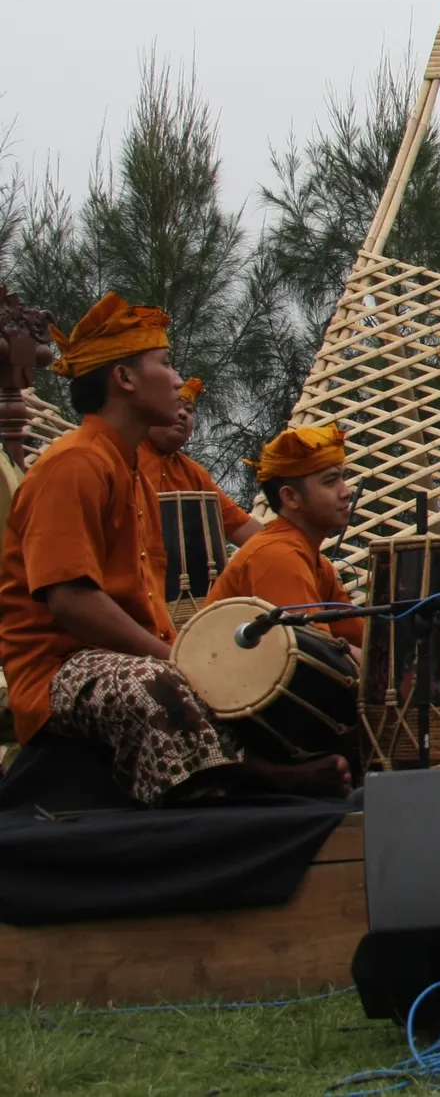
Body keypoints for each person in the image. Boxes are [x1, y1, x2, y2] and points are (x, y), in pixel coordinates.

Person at [0, 292, 345, 804]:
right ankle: (255, 784)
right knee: (155, 685)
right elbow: (69, 601)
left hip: (128, 652)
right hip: (60, 669)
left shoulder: (131, 470)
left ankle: (260, 777)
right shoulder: (73, 464)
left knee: (230, 676)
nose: (180, 379)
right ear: (124, 379)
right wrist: (176, 658)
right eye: (165, 362)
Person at [204, 423, 366, 650]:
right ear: (291, 497)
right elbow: (320, 654)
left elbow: (362, 641)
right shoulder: (278, 555)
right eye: (330, 481)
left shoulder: (319, 565)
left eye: (342, 478)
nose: (346, 491)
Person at [139, 376, 260, 613]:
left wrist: (292, 549)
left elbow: (241, 527)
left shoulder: (192, 473)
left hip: (187, 606)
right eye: (176, 406)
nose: (183, 415)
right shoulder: (122, 457)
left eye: (189, 409)